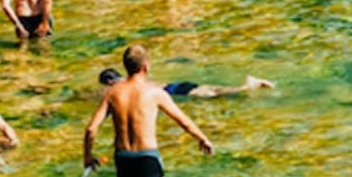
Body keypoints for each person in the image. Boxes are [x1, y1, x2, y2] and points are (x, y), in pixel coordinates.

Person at [83, 44, 215, 177]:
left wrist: (87, 156)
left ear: (125, 66)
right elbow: (184, 122)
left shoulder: (112, 93)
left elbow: (91, 129)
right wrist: (203, 139)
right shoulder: (155, 92)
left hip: (123, 158)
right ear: (146, 66)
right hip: (147, 157)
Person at [98, 68, 273, 99]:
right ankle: (247, 84)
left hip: (175, 92)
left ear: (110, 82)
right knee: (213, 89)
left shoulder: (122, 86)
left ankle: (247, 87)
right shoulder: (135, 77)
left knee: (216, 95)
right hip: (178, 85)